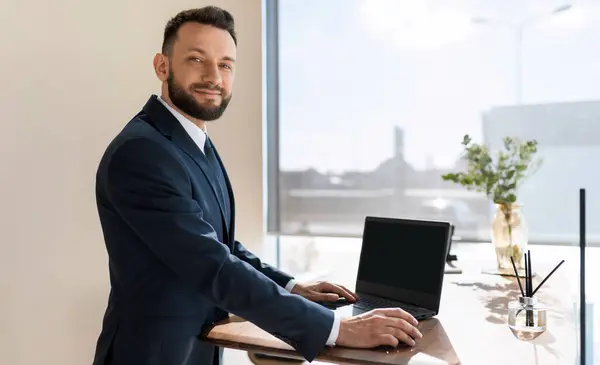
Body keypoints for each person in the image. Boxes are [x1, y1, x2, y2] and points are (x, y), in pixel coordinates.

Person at [91, 6, 422, 365]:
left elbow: (222, 244)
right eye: (196, 60)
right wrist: (337, 330)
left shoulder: (190, 140)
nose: (213, 76)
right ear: (162, 66)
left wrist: (293, 287)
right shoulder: (142, 152)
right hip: (151, 354)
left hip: (195, 347)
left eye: (225, 64)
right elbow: (213, 264)